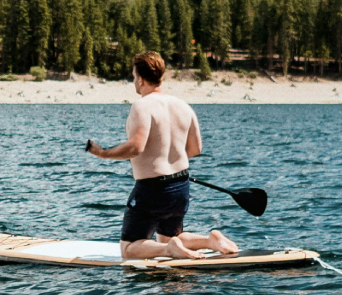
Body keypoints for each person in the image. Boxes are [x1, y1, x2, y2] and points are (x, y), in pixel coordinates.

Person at [85, 51, 240, 260]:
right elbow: (196, 149)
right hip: (181, 186)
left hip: (152, 190)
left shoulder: (142, 106)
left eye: (133, 76)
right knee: (167, 237)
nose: (134, 80)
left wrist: (102, 153)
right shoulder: (183, 106)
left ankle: (170, 250)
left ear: (140, 79)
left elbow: (135, 147)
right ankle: (210, 241)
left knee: (129, 249)